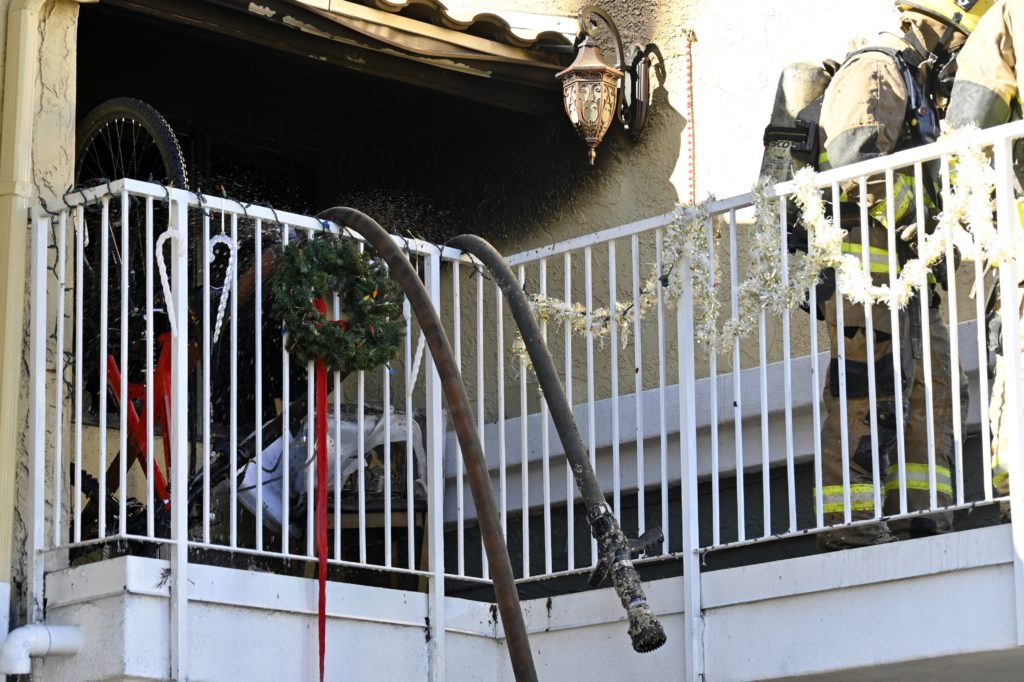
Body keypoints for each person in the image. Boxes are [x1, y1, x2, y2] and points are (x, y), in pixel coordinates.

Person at [814, 0, 991, 550]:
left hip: (909, 277)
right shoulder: (877, 69)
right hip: (865, 274)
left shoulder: (916, 86)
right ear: (935, 26)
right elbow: (854, 163)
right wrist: (918, 221)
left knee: (935, 388)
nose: (958, 57)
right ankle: (851, 524)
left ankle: (923, 516)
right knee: (864, 394)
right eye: (957, 43)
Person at [945, 0, 1024, 514]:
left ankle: (1015, 487)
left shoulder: (1007, 17)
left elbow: (967, 131)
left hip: (1020, 239)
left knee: (1016, 358)